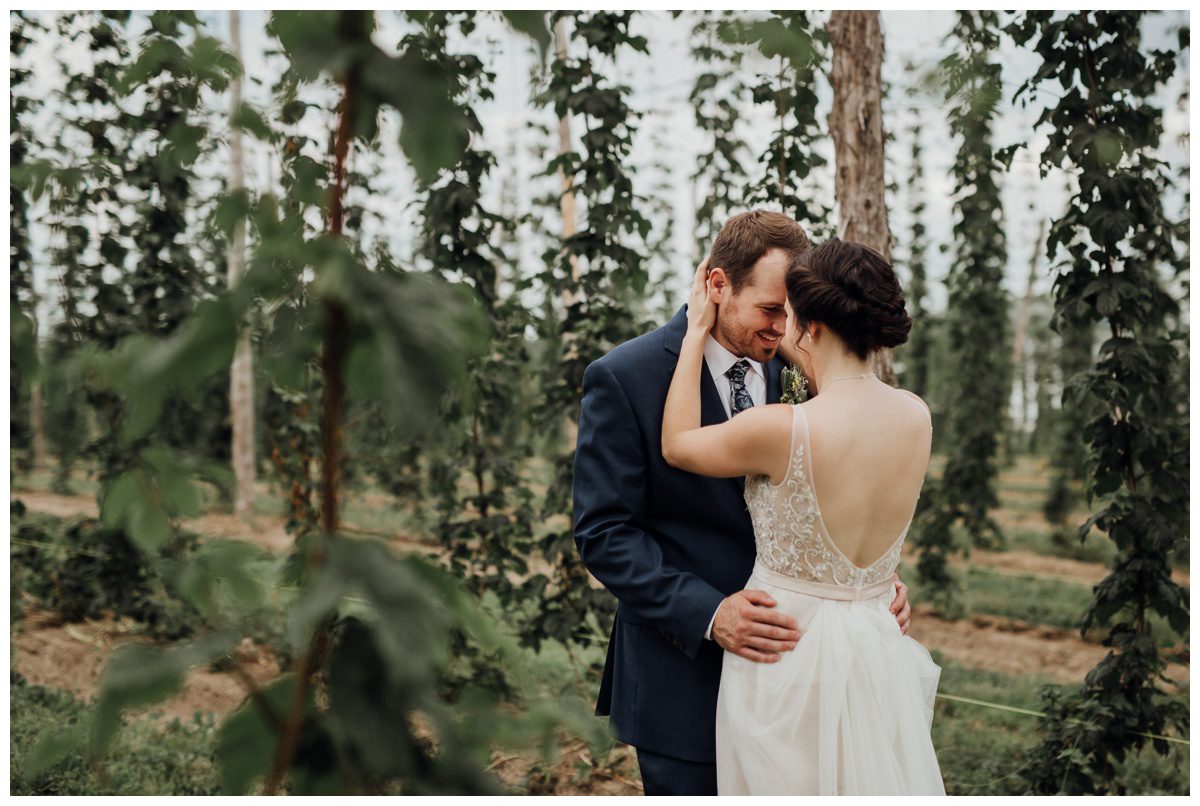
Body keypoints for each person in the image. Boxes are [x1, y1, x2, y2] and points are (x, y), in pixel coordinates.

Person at [572, 211, 914, 796]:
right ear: (717, 285)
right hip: (683, 683)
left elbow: (831, 493)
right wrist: (710, 613)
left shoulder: (804, 371)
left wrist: (867, 581)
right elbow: (604, 533)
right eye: (770, 309)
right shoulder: (625, 377)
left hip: (801, 685)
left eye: (792, 312)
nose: (782, 329)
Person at [661, 238, 944, 794]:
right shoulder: (915, 415)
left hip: (785, 654)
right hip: (875, 643)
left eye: (788, 313)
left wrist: (695, 332)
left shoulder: (782, 428)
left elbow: (677, 445)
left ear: (810, 325)